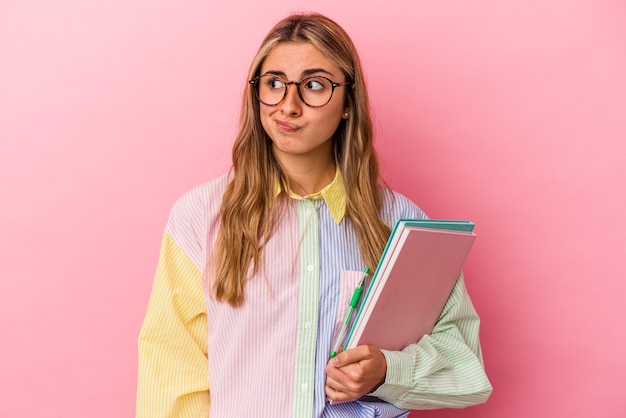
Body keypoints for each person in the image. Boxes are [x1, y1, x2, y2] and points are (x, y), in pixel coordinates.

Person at [137, 12, 492, 418]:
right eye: (273, 84)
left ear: (347, 102)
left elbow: (465, 363)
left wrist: (388, 371)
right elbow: (171, 370)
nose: (288, 106)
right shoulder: (200, 217)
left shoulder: (401, 222)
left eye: (314, 86)